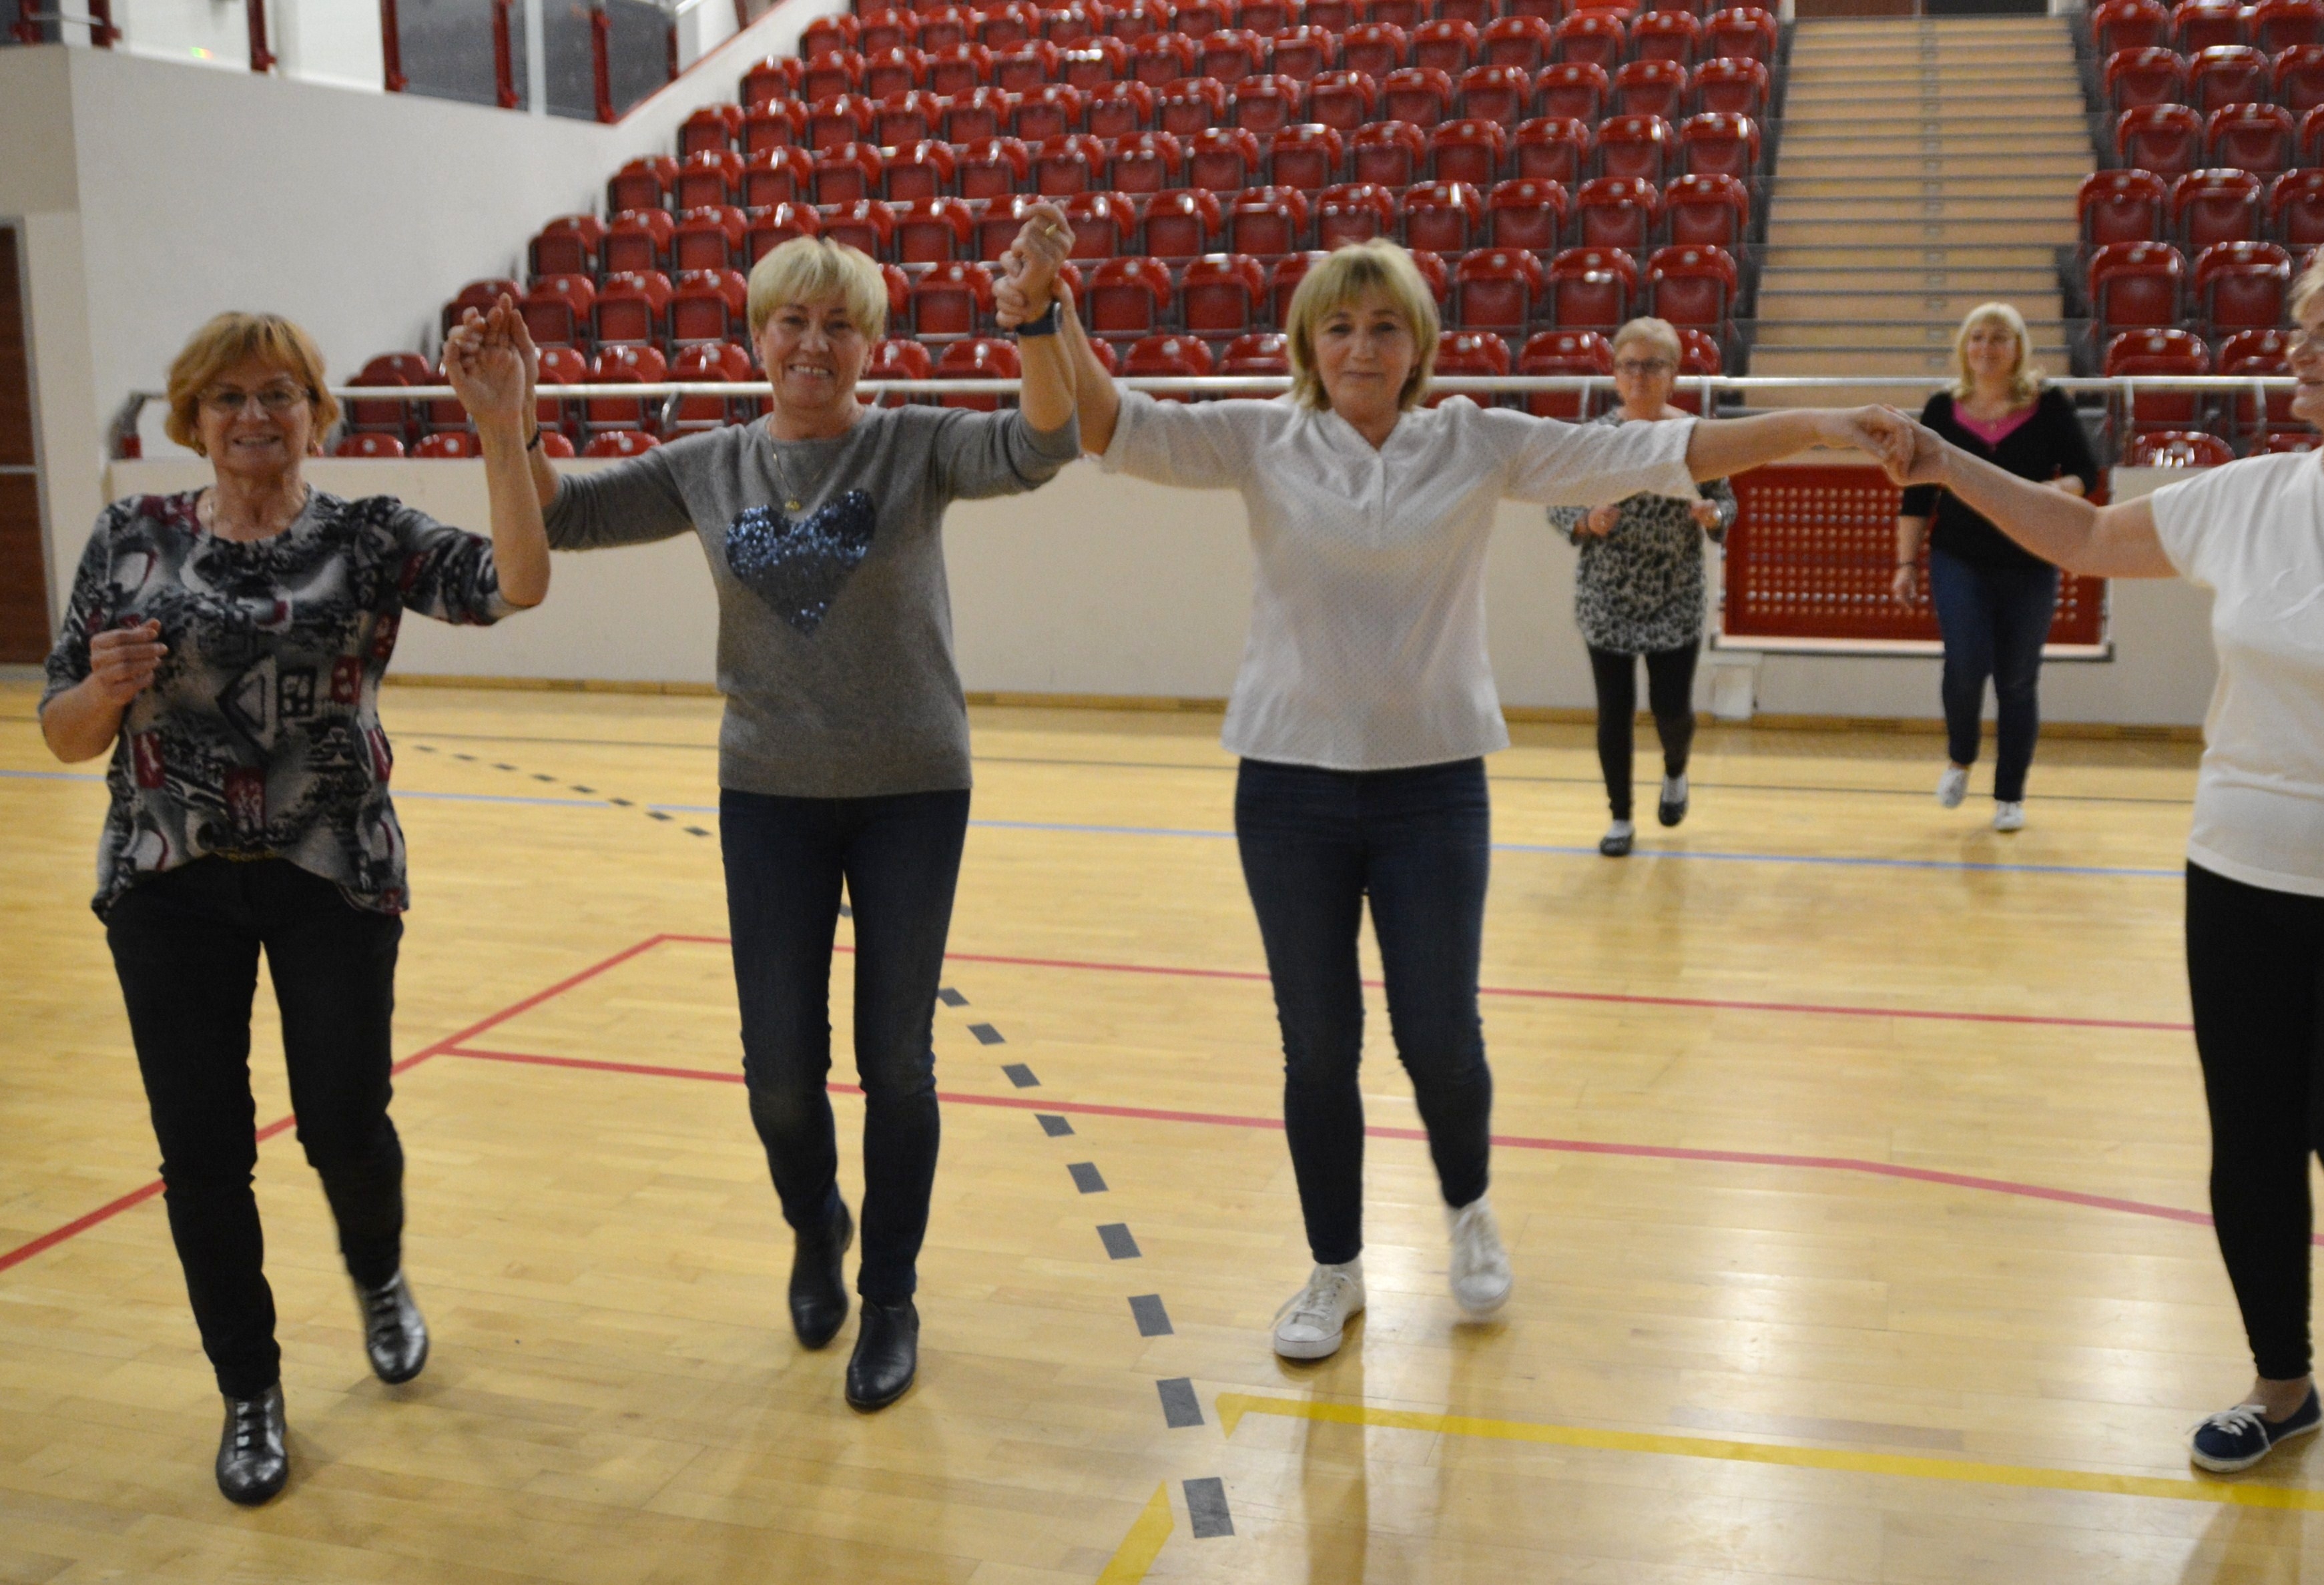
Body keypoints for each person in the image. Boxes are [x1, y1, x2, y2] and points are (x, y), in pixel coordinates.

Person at [1026, 238, 1896, 1362]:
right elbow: (1110, 423)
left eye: (1385, 326)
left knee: (1438, 1035)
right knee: (1316, 1045)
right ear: (1308, 344)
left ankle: (1469, 1204)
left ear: (1419, 344)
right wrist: (1051, 315)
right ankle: (1333, 1267)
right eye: (1340, 327)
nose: (1361, 347)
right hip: (1286, 789)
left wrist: (1820, 425)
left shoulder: (1473, 440)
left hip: (1432, 790)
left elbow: (1660, 448)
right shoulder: (1261, 437)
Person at [1871, 244, 2324, 1474]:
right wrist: (1943, 461)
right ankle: (2278, 1383)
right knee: (2250, 1137)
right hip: (2240, 871)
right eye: (2299, 329)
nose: (2294, 352)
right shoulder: (2247, 494)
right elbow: (2084, 536)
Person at [528, 212, 1078, 1413]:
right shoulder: (708, 465)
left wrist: (1038, 321)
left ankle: (891, 1296)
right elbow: (565, 515)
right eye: (794, 321)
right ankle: (816, 1221)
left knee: (898, 1062)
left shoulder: (914, 446)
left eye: (840, 324)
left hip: (912, 790)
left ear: (871, 343)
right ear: (757, 335)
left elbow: (1044, 442)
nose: (814, 344)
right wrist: (506, 423)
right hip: (769, 792)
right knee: (779, 1071)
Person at [37, 306, 550, 1505]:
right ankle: (250, 1390)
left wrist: (502, 426)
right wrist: (102, 693)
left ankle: (378, 1272)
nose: (254, 416)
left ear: (318, 414)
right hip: (169, 881)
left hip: (333, 873)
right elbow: (63, 731)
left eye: (279, 394)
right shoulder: (129, 536)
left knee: (343, 1122)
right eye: (229, 397)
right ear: (193, 418)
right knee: (202, 1152)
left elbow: (515, 584)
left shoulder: (368, 536)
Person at [1891, 303, 2102, 834]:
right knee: (1964, 665)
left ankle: (2009, 794)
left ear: (2017, 348)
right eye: (1978, 337)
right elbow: (1916, 494)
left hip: (2029, 559)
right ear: (1965, 347)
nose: (1987, 347)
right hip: (1957, 557)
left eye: (1999, 338)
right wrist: (1905, 563)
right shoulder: (1941, 408)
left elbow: (2086, 471)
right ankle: (1960, 757)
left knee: (2017, 679)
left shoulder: (2048, 403)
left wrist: (2052, 490)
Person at [1543, 318, 1739, 857]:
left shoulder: (1696, 435)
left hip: (1675, 591)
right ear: (1614, 375)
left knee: (1670, 708)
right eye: (1629, 365)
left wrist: (1713, 514)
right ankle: (1620, 816)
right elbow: (1557, 502)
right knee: (1614, 711)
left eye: (1653, 365)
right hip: (1607, 594)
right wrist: (1586, 520)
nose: (1640, 376)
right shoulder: (1594, 438)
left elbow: (1727, 502)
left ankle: (1675, 770)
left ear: (1672, 374)